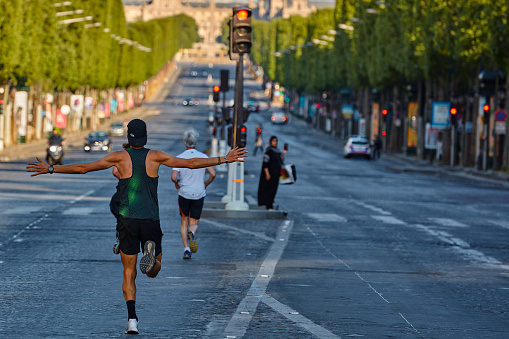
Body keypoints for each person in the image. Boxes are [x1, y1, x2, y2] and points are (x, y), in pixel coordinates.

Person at [27, 119, 247, 335]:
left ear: (128, 137)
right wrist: (224, 159)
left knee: (128, 273)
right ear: (146, 136)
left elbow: (84, 168)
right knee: (153, 271)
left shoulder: (119, 157)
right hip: (150, 220)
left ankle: (132, 320)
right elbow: (189, 164)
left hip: (127, 220)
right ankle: (151, 257)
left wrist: (51, 168)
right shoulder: (155, 156)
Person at [171, 129, 216, 260]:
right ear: (196, 141)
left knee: (184, 221)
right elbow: (212, 173)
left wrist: (177, 183)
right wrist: (206, 183)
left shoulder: (179, 157)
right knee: (194, 221)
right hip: (199, 193)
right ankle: (192, 232)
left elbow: (173, 177)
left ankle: (186, 249)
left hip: (184, 193)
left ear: (185, 141)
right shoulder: (203, 157)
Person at [257, 136, 287, 210]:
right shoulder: (268, 151)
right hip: (269, 174)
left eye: (276, 141)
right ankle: (267, 205)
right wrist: (267, 173)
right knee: (268, 189)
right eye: (273, 141)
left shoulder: (277, 151)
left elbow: (280, 161)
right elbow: (265, 163)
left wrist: (283, 153)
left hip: (275, 174)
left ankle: (270, 204)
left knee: (273, 189)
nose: (275, 142)